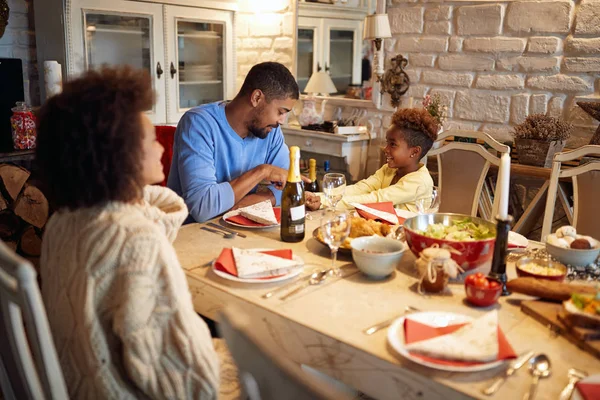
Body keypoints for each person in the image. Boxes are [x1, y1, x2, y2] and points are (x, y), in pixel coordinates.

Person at [36, 66, 231, 399]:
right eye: (152, 140)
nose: (161, 150)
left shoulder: (63, 221)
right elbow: (188, 384)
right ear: (117, 156)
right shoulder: (137, 239)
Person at [168, 61, 308, 223]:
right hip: (191, 235)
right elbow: (202, 208)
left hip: (238, 228)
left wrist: (246, 204)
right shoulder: (199, 124)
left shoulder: (270, 130)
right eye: (280, 112)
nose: (282, 121)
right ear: (256, 98)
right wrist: (262, 171)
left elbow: (292, 187)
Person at [306, 108, 437, 212]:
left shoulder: (419, 182)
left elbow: (376, 199)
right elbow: (361, 188)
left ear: (414, 151)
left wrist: (325, 202)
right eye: (387, 143)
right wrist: (320, 197)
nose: (385, 149)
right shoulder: (389, 170)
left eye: (392, 144)